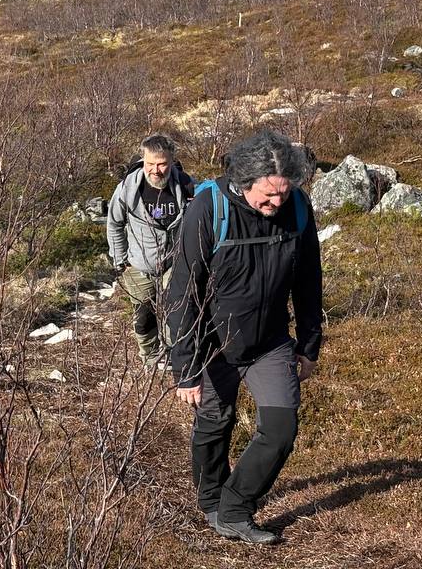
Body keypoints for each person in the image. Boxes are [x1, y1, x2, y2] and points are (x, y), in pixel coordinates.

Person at [164, 129, 322, 546]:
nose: (276, 204)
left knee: (280, 427)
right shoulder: (209, 207)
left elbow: (308, 282)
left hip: (269, 342)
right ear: (244, 182)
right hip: (213, 343)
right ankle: (211, 499)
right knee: (216, 422)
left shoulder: (298, 210)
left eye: (283, 194)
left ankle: (234, 508)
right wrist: (186, 366)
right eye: (267, 196)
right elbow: (183, 289)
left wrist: (308, 345)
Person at [106, 134, 196, 364]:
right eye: (150, 164)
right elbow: (115, 222)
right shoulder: (128, 188)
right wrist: (120, 260)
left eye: (162, 164)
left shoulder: (186, 186)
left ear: (172, 161)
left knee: (176, 313)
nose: (155, 170)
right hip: (138, 264)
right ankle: (150, 357)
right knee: (144, 317)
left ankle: (175, 355)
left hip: (175, 263)